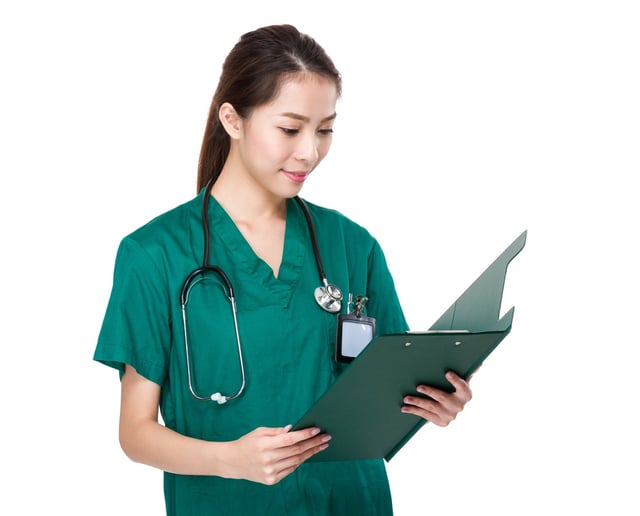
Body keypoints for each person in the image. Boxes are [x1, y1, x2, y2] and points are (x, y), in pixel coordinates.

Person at [94, 24, 473, 515]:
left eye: (325, 129)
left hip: (351, 501)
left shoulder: (353, 246)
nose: (310, 152)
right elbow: (135, 433)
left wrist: (432, 405)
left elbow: (386, 394)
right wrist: (229, 459)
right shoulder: (155, 254)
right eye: (290, 129)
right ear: (232, 119)